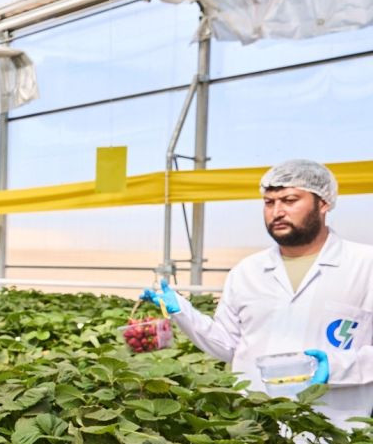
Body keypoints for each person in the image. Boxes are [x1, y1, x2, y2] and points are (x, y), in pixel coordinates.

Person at [142, 159, 373, 428]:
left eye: (289, 200)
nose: (277, 211)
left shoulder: (365, 265)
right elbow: (228, 345)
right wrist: (183, 312)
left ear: (323, 203)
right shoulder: (247, 272)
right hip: (257, 429)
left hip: (332, 429)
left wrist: (338, 367)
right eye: (269, 202)